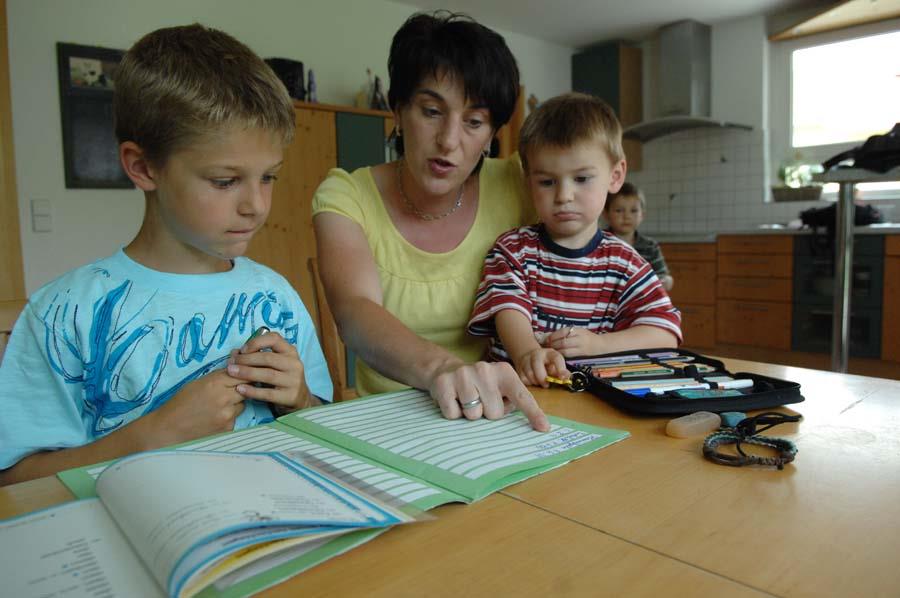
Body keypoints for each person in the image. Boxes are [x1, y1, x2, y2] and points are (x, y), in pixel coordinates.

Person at [0, 24, 332, 485]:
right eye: (224, 181)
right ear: (142, 166)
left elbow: (325, 430)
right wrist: (148, 436)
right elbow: (14, 481)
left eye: (268, 177)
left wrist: (299, 401)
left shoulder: (275, 296)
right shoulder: (64, 313)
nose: (255, 205)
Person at [312, 11, 549, 431]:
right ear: (398, 110)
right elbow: (354, 311)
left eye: (474, 122)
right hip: (391, 421)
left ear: (492, 134)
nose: (449, 141)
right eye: (431, 111)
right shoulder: (346, 195)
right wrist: (443, 369)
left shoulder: (519, 184)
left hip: (503, 414)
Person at [467, 93, 682, 387]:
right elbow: (508, 307)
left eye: (581, 179)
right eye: (547, 181)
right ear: (527, 181)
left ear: (615, 176)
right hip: (516, 399)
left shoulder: (627, 262)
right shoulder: (513, 249)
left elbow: (665, 333)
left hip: (596, 404)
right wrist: (528, 352)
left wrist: (599, 346)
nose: (564, 196)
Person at [603, 182, 674, 291]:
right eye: (619, 211)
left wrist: (666, 281)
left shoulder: (650, 247)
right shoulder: (599, 243)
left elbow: (662, 276)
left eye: (633, 211)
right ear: (606, 214)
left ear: (642, 215)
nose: (627, 216)